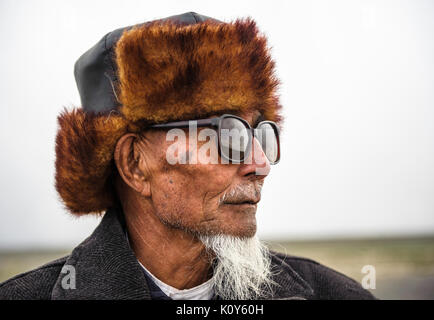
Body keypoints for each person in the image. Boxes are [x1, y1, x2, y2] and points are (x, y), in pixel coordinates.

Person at [0, 12, 375, 300]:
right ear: (135, 163)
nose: (259, 165)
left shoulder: (333, 293)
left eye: (262, 133)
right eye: (228, 135)